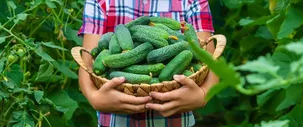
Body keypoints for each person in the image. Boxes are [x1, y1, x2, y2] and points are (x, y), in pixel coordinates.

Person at [78, 0, 217, 126]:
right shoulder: (100, 2)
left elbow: (209, 61)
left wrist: (202, 96)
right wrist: (95, 98)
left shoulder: (192, 1)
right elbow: (87, 63)